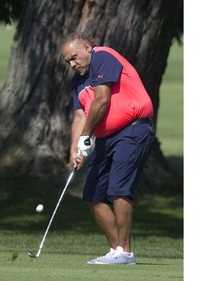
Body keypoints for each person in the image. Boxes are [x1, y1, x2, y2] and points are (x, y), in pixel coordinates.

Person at [61, 32, 155, 265]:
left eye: (74, 57)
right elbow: (80, 115)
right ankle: (116, 250)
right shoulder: (78, 82)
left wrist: (86, 136)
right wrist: (76, 150)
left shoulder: (102, 55)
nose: (73, 64)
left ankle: (126, 252)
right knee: (93, 193)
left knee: (119, 189)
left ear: (87, 47)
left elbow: (102, 100)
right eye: (68, 62)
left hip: (133, 130)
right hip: (107, 139)